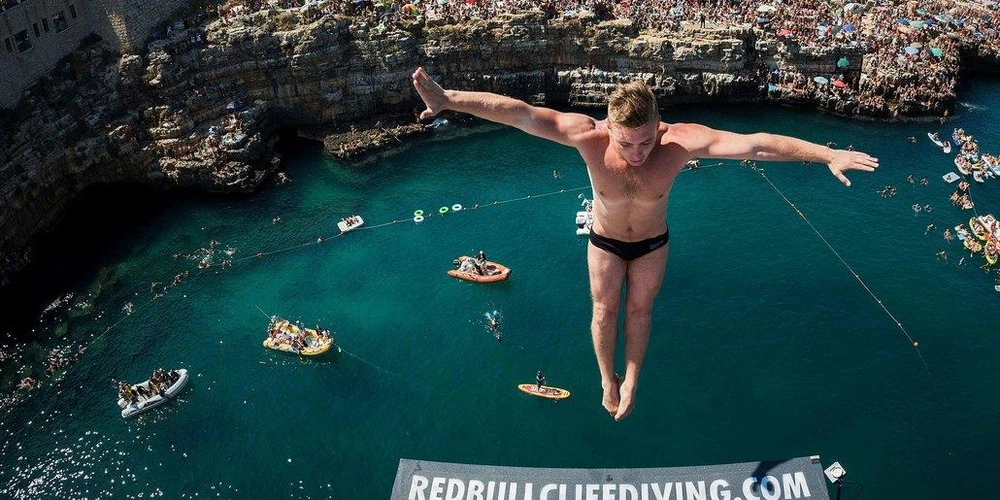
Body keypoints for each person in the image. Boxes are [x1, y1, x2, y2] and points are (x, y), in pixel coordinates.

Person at [412, 67, 878, 421]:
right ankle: (606, 380)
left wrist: (827, 154)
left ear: (658, 126)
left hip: (653, 242)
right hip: (605, 239)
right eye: (626, 143)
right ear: (610, 128)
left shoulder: (680, 142)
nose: (637, 153)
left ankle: (632, 380)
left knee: (639, 311)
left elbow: (757, 144)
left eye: (645, 142)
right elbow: (520, 113)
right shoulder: (587, 137)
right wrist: (449, 99)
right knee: (603, 311)